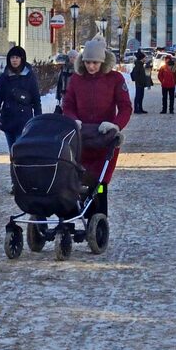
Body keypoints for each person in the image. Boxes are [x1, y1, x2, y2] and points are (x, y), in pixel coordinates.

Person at [61, 36, 134, 216]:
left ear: (102, 61)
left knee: (100, 183)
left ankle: (99, 216)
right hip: (80, 137)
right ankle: (73, 213)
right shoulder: (77, 80)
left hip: (105, 138)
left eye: (95, 62)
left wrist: (115, 125)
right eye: (87, 62)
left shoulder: (115, 79)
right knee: (76, 178)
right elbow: (68, 104)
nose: (91, 67)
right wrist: (72, 119)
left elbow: (125, 107)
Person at [0, 45, 42, 150]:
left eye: (17, 58)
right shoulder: (5, 77)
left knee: (20, 151)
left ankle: (19, 166)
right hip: (8, 119)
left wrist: (38, 119)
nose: (14, 60)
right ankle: (13, 166)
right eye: (12, 58)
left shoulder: (30, 76)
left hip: (24, 120)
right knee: (12, 151)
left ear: (22, 59)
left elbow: (36, 99)